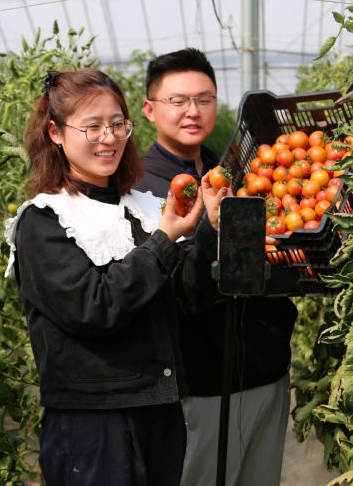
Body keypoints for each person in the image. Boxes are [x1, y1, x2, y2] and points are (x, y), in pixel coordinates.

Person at [4, 69, 227, 486]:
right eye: (92, 127)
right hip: (94, 426)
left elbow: (187, 298)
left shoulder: (143, 208)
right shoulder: (46, 220)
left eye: (117, 124)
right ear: (55, 132)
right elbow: (94, 308)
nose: (108, 138)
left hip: (160, 413)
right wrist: (163, 240)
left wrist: (212, 231)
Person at [135, 48, 298, 486]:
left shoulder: (241, 173)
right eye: (178, 100)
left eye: (204, 99)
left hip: (266, 373)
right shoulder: (139, 190)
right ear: (150, 109)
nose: (193, 111)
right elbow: (176, 291)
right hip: (202, 387)